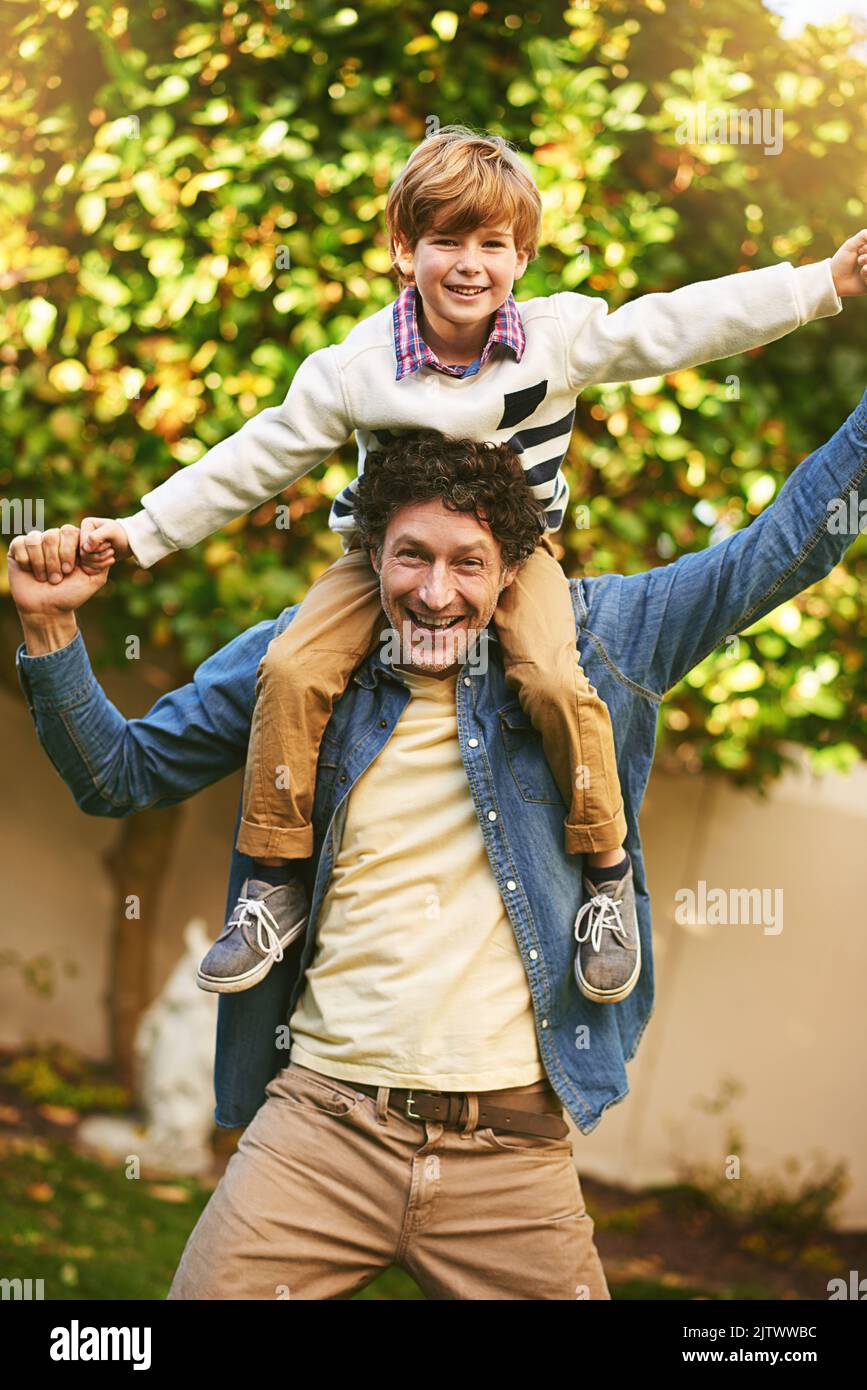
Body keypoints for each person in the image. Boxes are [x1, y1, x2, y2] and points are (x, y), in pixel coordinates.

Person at [9, 399, 867, 1299]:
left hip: (511, 1157)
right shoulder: (296, 667)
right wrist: (50, 630)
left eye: (469, 564)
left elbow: (777, 551)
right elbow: (120, 776)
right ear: (371, 554)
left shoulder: (600, 642)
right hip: (320, 1130)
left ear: (510, 573)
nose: (434, 591)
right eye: (410, 556)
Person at [15, 126, 867, 1009]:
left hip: (520, 558)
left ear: (520, 256)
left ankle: (605, 875)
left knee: (548, 674)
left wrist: (823, 282)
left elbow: (679, 324)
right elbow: (257, 456)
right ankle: (275, 879)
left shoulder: (556, 339)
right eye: (445, 241)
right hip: (369, 561)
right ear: (402, 250)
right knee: (290, 666)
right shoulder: (356, 369)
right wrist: (142, 533)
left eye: (491, 245)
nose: (468, 265)